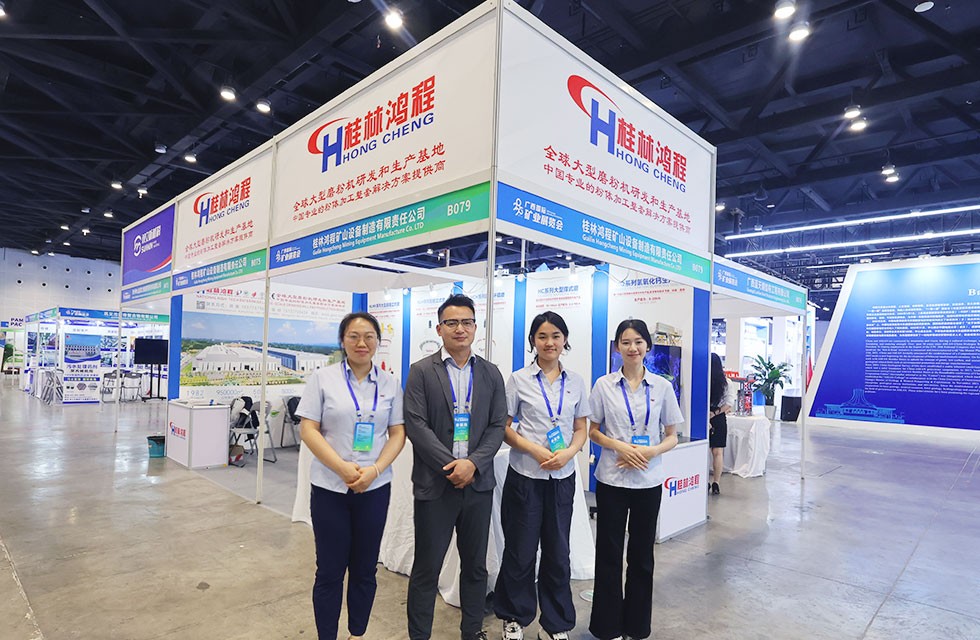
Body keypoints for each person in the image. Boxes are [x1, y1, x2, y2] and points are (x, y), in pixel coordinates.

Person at [296, 311, 406, 640]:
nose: (362, 343)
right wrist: (341, 467)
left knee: (365, 569)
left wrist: (375, 469)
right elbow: (308, 429)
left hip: (374, 488)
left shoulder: (390, 383)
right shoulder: (323, 378)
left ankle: (356, 634)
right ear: (342, 341)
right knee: (329, 571)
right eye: (354, 336)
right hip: (330, 487)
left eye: (369, 336)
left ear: (378, 342)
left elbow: (397, 433)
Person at [404, 293, 508, 640]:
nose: (459, 328)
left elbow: (497, 425)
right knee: (426, 569)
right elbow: (416, 425)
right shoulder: (421, 371)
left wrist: (473, 464)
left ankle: (472, 631)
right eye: (451, 322)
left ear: (476, 327)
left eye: (466, 322)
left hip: (477, 486)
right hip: (436, 485)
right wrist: (453, 466)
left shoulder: (491, 373)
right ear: (439, 329)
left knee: (476, 567)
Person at [494, 311, 590, 640]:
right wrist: (533, 450)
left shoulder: (576, 382)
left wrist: (569, 452)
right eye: (542, 336)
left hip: (562, 477)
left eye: (556, 336)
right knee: (520, 551)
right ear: (533, 341)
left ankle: (556, 623)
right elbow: (504, 427)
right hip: (525, 475)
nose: (549, 342)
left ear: (565, 340)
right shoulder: (518, 379)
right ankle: (514, 618)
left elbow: (581, 427)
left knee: (558, 552)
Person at [587, 319, 683, 640]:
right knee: (609, 554)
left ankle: (637, 627)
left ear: (648, 347)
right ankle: (607, 628)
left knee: (642, 557)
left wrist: (651, 451)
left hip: (647, 481)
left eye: (639, 341)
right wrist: (619, 447)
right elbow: (592, 431)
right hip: (612, 479)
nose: (633, 348)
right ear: (617, 347)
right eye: (626, 342)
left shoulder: (662, 387)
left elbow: (672, 435)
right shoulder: (603, 385)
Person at [708, 353, 736, 495]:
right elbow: (729, 403)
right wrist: (715, 413)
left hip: (703, 416)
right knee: (718, 452)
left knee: (703, 451)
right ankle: (716, 483)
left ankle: (704, 481)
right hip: (719, 417)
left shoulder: (704, 380)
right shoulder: (727, 382)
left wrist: (708, 414)